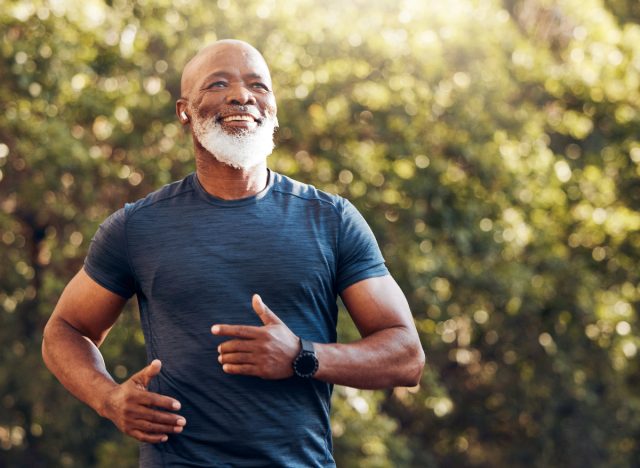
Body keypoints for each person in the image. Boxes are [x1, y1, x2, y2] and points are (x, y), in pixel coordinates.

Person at [42, 39, 425, 467]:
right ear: (184, 110)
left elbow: (406, 356)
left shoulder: (331, 220)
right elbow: (66, 329)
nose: (241, 95)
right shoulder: (138, 226)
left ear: (273, 107)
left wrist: (302, 355)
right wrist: (108, 398)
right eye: (218, 83)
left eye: (258, 86)